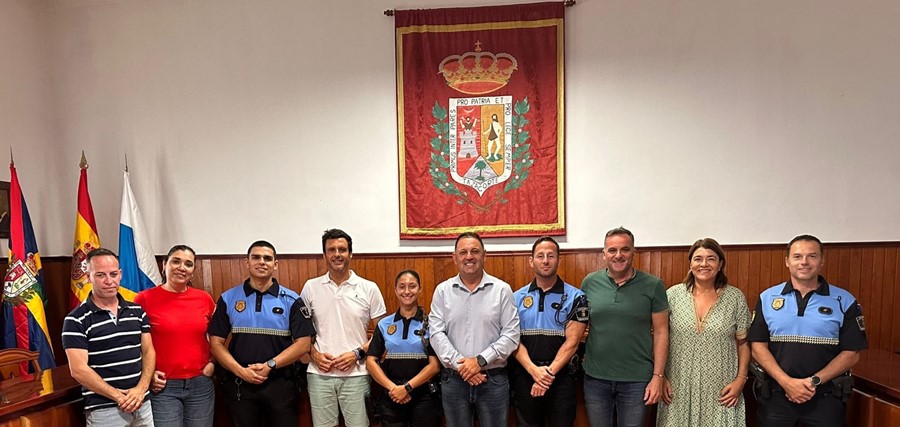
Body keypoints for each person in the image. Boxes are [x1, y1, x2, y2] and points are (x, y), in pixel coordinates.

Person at [747, 235, 868, 426]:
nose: (804, 262)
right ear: (787, 261)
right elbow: (757, 347)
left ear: (822, 261)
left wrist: (814, 382)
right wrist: (787, 382)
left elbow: (851, 353)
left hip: (826, 398)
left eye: (812, 256)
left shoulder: (844, 300)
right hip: (776, 397)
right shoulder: (767, 298)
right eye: (797, 256)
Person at [208, 240, 314, 427]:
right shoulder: (228, 298)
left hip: (281, 382)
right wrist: (240, 371)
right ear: (247, 262)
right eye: (256, 257)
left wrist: (270, 365)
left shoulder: (292, 300)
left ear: (275, 264)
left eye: (267, 258)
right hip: (240, 382)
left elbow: (304, 344)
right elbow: (215, 343)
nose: (262, 262)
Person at [429, 231, 520, 427]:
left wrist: (480, 360)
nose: (469, 257)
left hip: (493, 380)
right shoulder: (442, 291)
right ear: (455, 257)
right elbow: (436, 333)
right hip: (454, 380)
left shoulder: (502, 290)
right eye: (463, 252)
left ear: (484, 255)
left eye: (475, 251)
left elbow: (511, 335)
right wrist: (463, 366)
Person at [656, 238, 750, 427]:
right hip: (678, 387)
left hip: (721, 389)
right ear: (690, 264)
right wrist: (661, 377)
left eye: (711, 259)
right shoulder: (672, 295)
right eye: (698, 259)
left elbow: (744, 343)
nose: (704, 264)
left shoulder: (735, 298)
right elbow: (659, 336)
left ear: (720, 264)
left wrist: (741, 380)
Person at [581, 227, 669, 427]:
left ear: (633, 252)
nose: (618, 255)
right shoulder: (589, 283)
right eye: (612, 250)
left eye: (625, 249)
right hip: (596, 378)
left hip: (637, 380)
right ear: (604, 254)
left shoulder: (653, 285)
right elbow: (580, 325)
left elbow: (661, 332)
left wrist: (658, 376)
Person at [300, 228, 387, 427]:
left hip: (357, 374)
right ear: (324, 255)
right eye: (331, 250)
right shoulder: (310, 287)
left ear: (350, 253)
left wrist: (357, 354)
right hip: (319, 375)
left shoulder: (369, 288)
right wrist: (314, 355)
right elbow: (300, 333)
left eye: (342, 249)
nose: (337, 254)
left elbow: (382, 334)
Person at [62, 248, 156, 426]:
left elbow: (148, 351)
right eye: (100, 275)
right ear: (88, 277)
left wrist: (141, 389)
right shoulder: (75, 320)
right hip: (104, 410)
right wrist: (119, 396)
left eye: (113, 274)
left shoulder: (137, 311)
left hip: (141, 403)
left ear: (120, 275)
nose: (109, 281)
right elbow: (78, 369)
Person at [511, 236, 589, 427]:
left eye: (551, 256)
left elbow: (573, 343)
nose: (545, 260)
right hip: (525, 376)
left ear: (558, 260)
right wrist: (534, 371)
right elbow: (512, 340)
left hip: (561, 379)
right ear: (531, 261)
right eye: (540, 256)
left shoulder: (576, 297)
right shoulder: (515, 298)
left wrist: (546, 376)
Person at [134, 245, 216, 427]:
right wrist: (148, 373)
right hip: (163, 386)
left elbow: (218, 336)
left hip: (201, 383)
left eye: (188, 264)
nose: (181, 267)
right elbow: (133, 342)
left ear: (193, 271)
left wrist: (213, 362)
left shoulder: (204, 298)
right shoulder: (144, 299)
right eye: (176, 261)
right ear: (164, 265)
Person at [365, 270, 441, 427]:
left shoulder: (431, 324)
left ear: (420, 289)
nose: (407, 291)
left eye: (412, 286)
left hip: (424, 396)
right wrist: (394, 389)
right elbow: (371, 362)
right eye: (402, 286)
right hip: (392, 394)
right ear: (395, 290)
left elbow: (434, 366)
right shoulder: (384, 324)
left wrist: (407, 388)